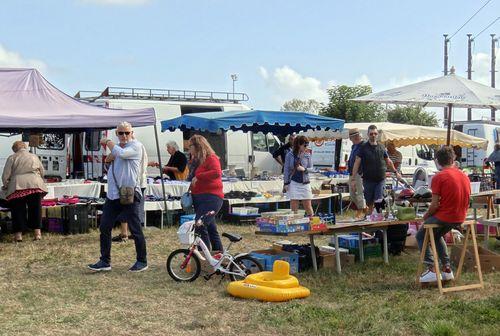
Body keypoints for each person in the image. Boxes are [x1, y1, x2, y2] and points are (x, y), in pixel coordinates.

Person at [88, 122, 148, 272]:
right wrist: (112, 151)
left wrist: (107, 142)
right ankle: (105, 261)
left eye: (127, 133)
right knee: (105, 227)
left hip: (129, 193)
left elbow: (119, 154)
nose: (124, 136)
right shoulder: (120, 147)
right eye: (121, 133)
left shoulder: (136, 146)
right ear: (117, 134)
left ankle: (142, 261)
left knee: (135, 229)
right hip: (113, 194)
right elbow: (109, 158)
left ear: (132, 133)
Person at [416, 146, 470, 283]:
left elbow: (434, 205)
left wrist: (426, 215)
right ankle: (446, 268)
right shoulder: (464, 175)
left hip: (446, 217)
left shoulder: (438, 177)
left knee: (421, 235)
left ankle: (432, 268)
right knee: (436, 234)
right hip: (460, 216)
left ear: (437, 161)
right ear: (453, 159)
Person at [1, 141, 47, 242]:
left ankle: (18, 236)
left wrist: (7, 186)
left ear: (14, 149)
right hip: (34, 186)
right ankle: (37, 234)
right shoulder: (34, 156)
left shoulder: (12, 157)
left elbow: (5, 176)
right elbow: (42, 171)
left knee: (18, 210)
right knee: (35, 209)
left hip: (18, 186)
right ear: (25, 147)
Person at [351, 125, 401, 215]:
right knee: (369, 202)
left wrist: (396, 172)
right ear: (368, 134)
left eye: (375, 133)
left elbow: (388, 161)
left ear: (377, 134)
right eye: (371, 134)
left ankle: (379, 218)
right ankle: (370, 220)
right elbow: (356, 162)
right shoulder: (363, 147)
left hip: (380, 179)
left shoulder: (382, 147)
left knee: (378, 199)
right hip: (368, 180)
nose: (373, 135)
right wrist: (353, 179)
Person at [188, 135, 224, 254]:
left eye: (190, 146)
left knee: (200, 225)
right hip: (202, 198)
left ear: (198, 146)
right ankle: (218, 255)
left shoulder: (211, 158)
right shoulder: (199, 160)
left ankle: (204, 256)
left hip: (211, 198)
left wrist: (198, 176)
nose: (189, 149)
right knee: (211, 228)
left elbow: (216, 173)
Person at [111, 139, 148, 243]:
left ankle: (126, 234)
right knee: (134, 211)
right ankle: (133, 234)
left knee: (127, 209)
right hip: (139, 183)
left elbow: (116, 157)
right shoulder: (140, 147)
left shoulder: (131, 148)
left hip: (132, 184)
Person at [283, 135, 314, 216]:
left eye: (307, 144)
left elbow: (311, 168)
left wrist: (304, 169)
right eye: (304, 145)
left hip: (305, 182)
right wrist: (286, 183)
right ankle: (294, 224)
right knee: (294, 206)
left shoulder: (307, 154)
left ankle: (313, 224)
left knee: (308, 205)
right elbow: (286, 169)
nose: (306, 146)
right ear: (298, 144)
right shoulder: (289, 154)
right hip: (293, 182)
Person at [347, 128, 366, 219]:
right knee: (352, 194)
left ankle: (360, 210)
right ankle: (364, 208)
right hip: (352, 173)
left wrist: (354, 177)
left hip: (359, 173)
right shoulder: (353, 146)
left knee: (359, 192)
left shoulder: (363, 145)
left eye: (356, 136)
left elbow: (358, 161)